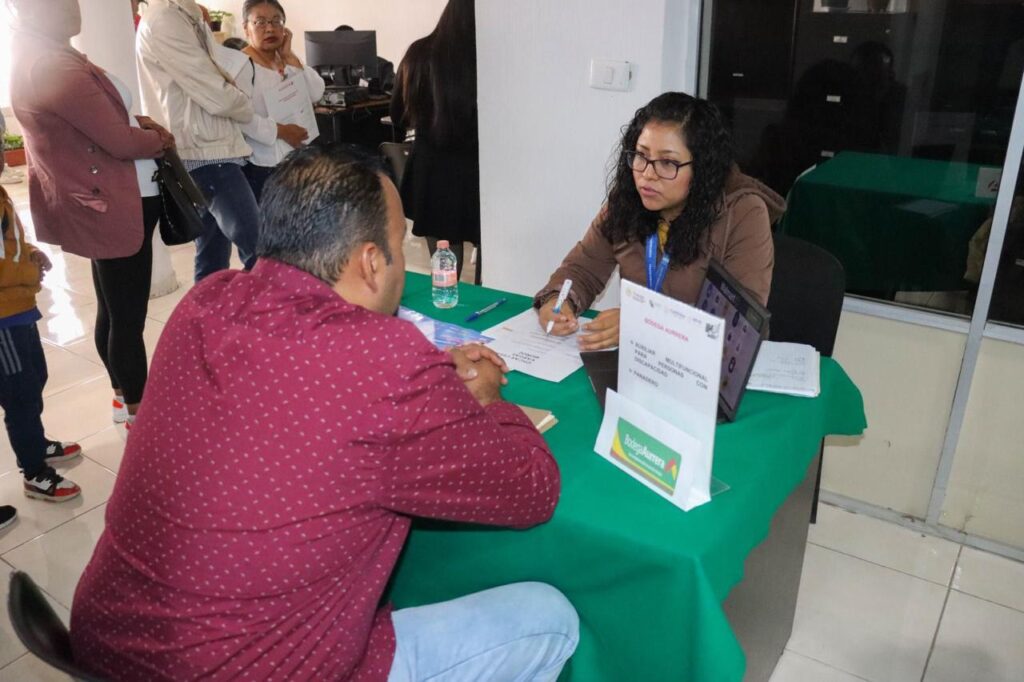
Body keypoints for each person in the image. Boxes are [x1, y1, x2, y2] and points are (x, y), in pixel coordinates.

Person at [70, 145, 579, 681]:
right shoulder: (388, 364)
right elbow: (532, 490)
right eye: (398, 246)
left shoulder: (205, 301)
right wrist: (490, 401)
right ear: (371, 262)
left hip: (107, 650)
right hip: (247, 670)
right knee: (549, 619)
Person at [9, 0, 174, 428]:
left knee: (113, 307)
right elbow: (119, 142)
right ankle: (140, 416)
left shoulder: (47, 56)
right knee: (127, 317)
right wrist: (158, 139)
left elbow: (99, 125)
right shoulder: (51, 65)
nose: (72, 9)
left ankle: (122, 399)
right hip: (112, 202)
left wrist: (136, 126)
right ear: (27, 11)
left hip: (103, 198)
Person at [536, 92, 784, 350]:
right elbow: (583, 269)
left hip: (706, 363)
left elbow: (740, 325)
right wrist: (558, 301)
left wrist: (643, 322)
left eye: (668, 162)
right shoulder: (627, 200)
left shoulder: (743, 213)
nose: (647, 174)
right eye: (641, 155)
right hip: (640, 358)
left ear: (701, 168)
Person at [137, 0, 260, 282]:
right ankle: (280, 311)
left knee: (212, 257)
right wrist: (245, 103)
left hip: (205, 146)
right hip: (206, 152)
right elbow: (216, 92)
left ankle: (206, 312)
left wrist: (198, 19)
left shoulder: (181, 13)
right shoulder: (165, 19)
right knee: (259, 249)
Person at [0, 111, 83, 503]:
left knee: (34, 378)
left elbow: (8, 246)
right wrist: (28, 272)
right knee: (19, 393)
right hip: (3, 318)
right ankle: (34, 471)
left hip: (19, 308)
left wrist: (31, 253)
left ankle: (36, 442)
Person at [392, 0, 481, 283]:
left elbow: (397, 114)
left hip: (432, 171)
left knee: (444, 264)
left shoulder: (418, 53)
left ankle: (445, 306)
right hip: (477, 170)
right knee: (491, 261)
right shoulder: (486, 55)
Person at [236, 0, 325, 201]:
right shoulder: (241, 66)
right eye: (260, 22)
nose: (270, 28)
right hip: (264, 165)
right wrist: (281, 131)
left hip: (299, 161)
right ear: (246, 28)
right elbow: (241, 118)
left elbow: (316, 92)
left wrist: (289, 56)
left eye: (276, 21)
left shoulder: (285, 59)